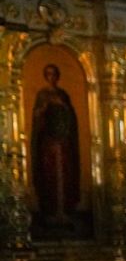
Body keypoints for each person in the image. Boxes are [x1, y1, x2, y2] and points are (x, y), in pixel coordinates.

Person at [30, 62, 82, 230]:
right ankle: (50, 212)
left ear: (57, 76)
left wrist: (62, 105)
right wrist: (44, 108)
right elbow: (37, 117)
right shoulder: (42, 95)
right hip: (48, 142)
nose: (51, 77)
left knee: (66, 173)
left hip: (63, 141)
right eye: (48, 74)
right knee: (49, 175)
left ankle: (65, 211)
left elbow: (71, 116)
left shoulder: (63, 94)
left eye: (53, 74)